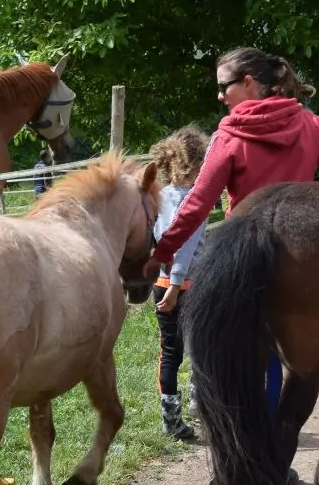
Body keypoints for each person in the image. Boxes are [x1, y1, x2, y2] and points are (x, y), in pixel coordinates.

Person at [143, 46, 319, 420]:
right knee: (288, 358)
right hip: (301, 261)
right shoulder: (312, 125)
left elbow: (197, 205)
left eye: (225, 86)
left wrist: (161, 254)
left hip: (244, 264)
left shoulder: (228, 136)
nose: (220, 96)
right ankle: (275, 445)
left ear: (249, 82)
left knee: (235, 359)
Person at [147, 125, 211, 441]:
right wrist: (175, 285)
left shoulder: (158, 197)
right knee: (201, 345)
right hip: (187, 286)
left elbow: (157, 240)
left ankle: (172, 419)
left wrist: (165, 282)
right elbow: (183, 245)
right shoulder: (194, 201)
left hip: (162, 283)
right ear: (197, 164)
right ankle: (200, 403)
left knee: (170, 351)